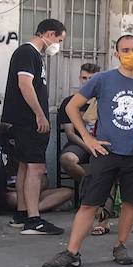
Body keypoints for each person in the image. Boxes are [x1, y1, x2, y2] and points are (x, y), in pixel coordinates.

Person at [42, 35, 133, 267]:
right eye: (125, 50)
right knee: (90, 203)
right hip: (105, 152)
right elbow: (72, 107)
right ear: (116, 53)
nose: (131, 53)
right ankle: (72, 252)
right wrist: (87, 138)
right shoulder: (103, 79)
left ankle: (120, 245)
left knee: (131, 202)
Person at [3, 18, 68, 235]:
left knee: (24, 165)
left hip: (24, 120)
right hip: (29, 121)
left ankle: (22, 214)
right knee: (36, 168)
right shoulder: (27, 52)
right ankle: (34, 220)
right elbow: (24, 84)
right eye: (58, 39)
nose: (58, 45)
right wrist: (40, 114)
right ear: (48, 34)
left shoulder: (32, 55)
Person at [56, 62, 101, 190]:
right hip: (79, 144)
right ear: (79, 78)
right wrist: (89, 147)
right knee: (67, 159)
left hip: (102, 144)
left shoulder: (105, 100)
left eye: (92, 79)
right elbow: (70, 134)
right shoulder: (69, 102)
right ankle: (91, 188)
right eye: (84, 78)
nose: (87, 82)